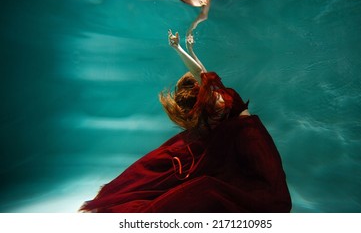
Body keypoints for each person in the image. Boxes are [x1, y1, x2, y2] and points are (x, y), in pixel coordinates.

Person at [79, 31, 291, 213]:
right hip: (249, 142)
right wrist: (179, 48)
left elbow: (202, 72)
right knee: (216, 186)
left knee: (268, 189)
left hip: (253, 143)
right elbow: (201, 74)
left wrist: (185, 47)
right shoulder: (214, 103)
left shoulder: (220, 94)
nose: (215, 97)